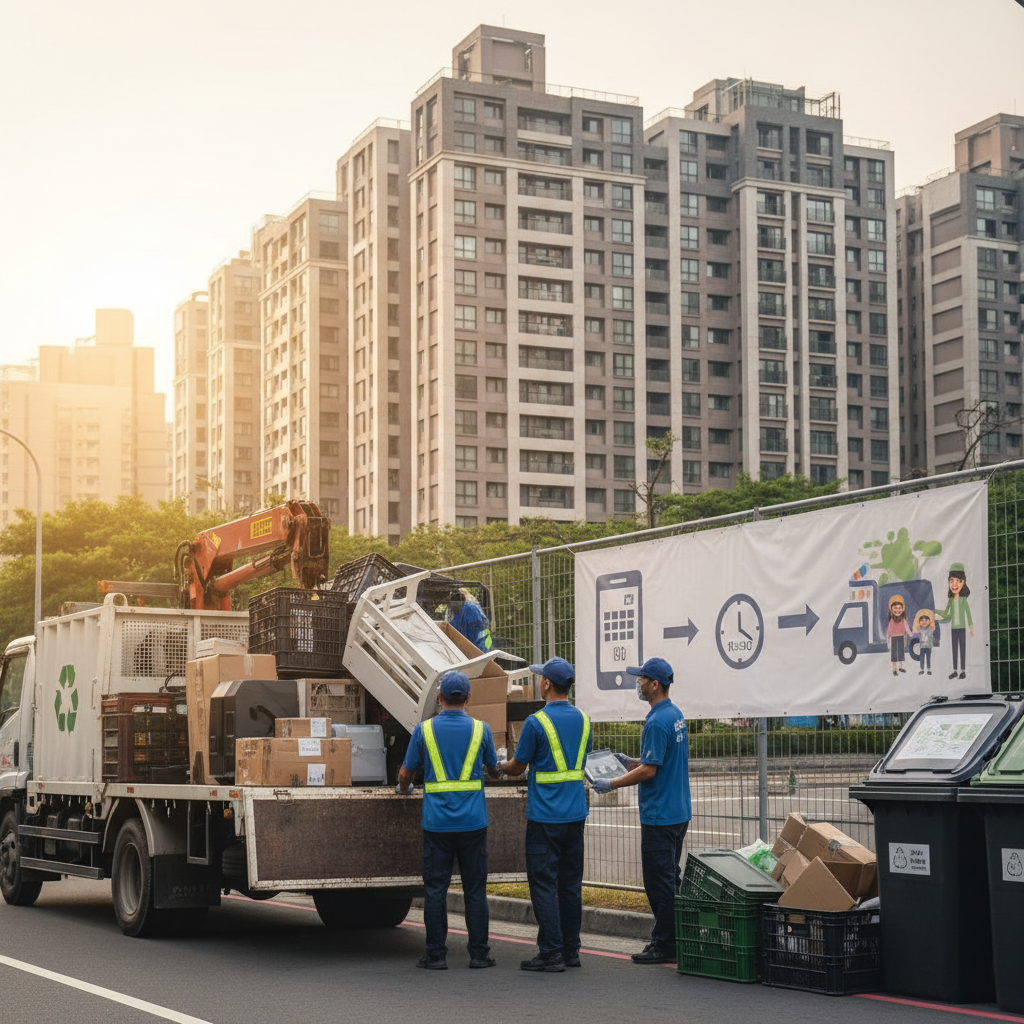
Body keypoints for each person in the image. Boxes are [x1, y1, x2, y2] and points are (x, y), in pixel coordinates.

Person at [591, 656, 690, 965]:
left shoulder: (657, 720)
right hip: (678, 812)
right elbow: (655, 762)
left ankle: (665, 944)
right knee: (669, 879)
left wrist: (612, 782)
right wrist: (632, 761)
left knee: (658, 882)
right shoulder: (675, 715)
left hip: (659, 814)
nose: (638, 683)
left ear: (654, 684)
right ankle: (668, 938)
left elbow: (649, 771)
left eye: (641, 679)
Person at [398, 670, 499, 970]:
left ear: (439, 698)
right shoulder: (482, 730)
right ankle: (479, 954)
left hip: (437, 824)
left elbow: (407, 773)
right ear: (468, 698)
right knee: (475, 891)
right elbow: (494, 768)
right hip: (473, 823)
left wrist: (404, 787)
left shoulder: (424, 730)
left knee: (435, 890)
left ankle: (436, 954)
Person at [500, 656, 592, 972]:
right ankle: (571, 950)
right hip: (576, 815)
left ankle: (550, 952)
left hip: (545, 817)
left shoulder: (536, 722)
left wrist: (497, 765)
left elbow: (517, 767)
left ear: (547, 684)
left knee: (543, 883)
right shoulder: (584, 719)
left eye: (540, 678)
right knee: (569, 885)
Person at [936, 562, 974, 680]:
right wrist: (935, 611)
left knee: (962, 648)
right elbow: (946, 613)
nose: (954, 584)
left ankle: (962, 670)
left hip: (962, 628)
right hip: (954, 629)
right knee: (954, 649)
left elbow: (968, 613)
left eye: (958, 581)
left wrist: (971, 627)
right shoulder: (951, 600)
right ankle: (954, 670)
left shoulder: (963, 600)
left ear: (963, 582)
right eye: (951, 580)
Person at [448, 588, 494, 652]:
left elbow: (456, 627)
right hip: (482, 644)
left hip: (479, 645)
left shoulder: (470, 608)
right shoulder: (467, 608)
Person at [886, 594, 912, 676]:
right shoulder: (891, 621)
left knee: (901, 653)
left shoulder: (903, 620)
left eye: (899, 608)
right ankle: (894, 669)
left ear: (903, 609)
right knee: (894, 654)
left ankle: (900, 667)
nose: (898, 610)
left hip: (901, 637)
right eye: (895, 608)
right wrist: (888, 641)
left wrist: (911, 634)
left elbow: (907, 628)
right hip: (894, 638)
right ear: (891, 609)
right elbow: (889, 632)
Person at [913, 608, 936, 676]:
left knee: (928, 657)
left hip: (928, 646)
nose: (924, 622)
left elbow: (933, 631)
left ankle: (929, 669)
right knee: (922, 657)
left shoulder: (930, 629)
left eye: (926, 620)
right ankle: (922, 669)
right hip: (922, 646)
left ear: (929, 621)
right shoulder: (919, 629)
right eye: (922, 621)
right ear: (919, 622)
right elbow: (916, 634)